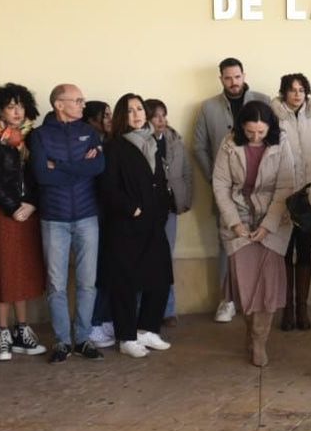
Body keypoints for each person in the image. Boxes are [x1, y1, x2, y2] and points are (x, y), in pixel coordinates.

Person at [212, 101, 297, 367]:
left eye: (261, 132)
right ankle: (251, 330)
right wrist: (235, 223)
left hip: (273, 218)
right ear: (241, 128)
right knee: (246, 285)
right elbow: (221, 186)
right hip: (239, 219)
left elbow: (286, 186)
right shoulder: (229, 144)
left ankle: (260, 341)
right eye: (250, 132)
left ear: (270, 127)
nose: (256, 137)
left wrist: (269, 225)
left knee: (268, 285)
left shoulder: (282, 143)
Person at [31, 83, 107, 363]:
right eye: (77, 100)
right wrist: (78, 169)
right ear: (59, 104)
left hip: (87, 216)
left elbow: (97, 167)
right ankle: (62, 342)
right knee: (56, 285)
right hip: (54, 219)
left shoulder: (89, 132)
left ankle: (83, 339)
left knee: (87, 283)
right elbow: (41, 174)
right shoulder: (39, 136)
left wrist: (59, 166)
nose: (82, 105)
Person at [193, 58, 272, 324]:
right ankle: (226, 301)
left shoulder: (262, 101)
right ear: (221, 79)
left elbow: (276, 141)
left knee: (263, 244)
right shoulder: (208, 108)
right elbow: (199, 147)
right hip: (226, 192)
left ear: (244, 75)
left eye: (237, 76)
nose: (233, 82)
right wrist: (216, 181)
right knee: (228, 245)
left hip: (262, 191)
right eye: (228, 78)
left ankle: (256, 297)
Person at [96, 94, 175, 358]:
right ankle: (127, 336)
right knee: (126, 282)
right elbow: (108, 187)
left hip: (153, 222)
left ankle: (148, 329)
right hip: (126, 226)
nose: (137, 114)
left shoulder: (153, 142)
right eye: (130, 111)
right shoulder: (114, 147)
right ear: (122, 116)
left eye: (140, 109)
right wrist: (133, 209)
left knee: (160, 275)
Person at [0, 84, 48, 362]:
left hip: (29, 211)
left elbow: (43, 173)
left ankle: (22, 330)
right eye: (10, 106)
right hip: (4, 213)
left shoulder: (35, 137)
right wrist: (13, 205)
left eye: (20, 106)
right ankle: (3, 332)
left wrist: (32, 203)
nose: (17, 111)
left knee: (24, 271)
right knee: (2, 270)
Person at [271, 73, 311, 332]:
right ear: (283, 93)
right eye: (292, 90)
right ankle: (286, 309)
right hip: (282, 194)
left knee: (305, 253)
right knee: (283, 253)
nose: (297, 94)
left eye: (302, 89)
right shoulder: (274, 117)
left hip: (309, 195)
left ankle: (302, 307)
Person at [144, 99, 192, 325]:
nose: (161, 120)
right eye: (155, 116)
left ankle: (168, 310)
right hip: (146, 209)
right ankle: (143, 310)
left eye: (163, 115)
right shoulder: (141, 142)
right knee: (145, 257)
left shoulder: (174, 139)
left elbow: (186, 172)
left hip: (170, 206)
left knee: (166, 258)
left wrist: (185, 199)